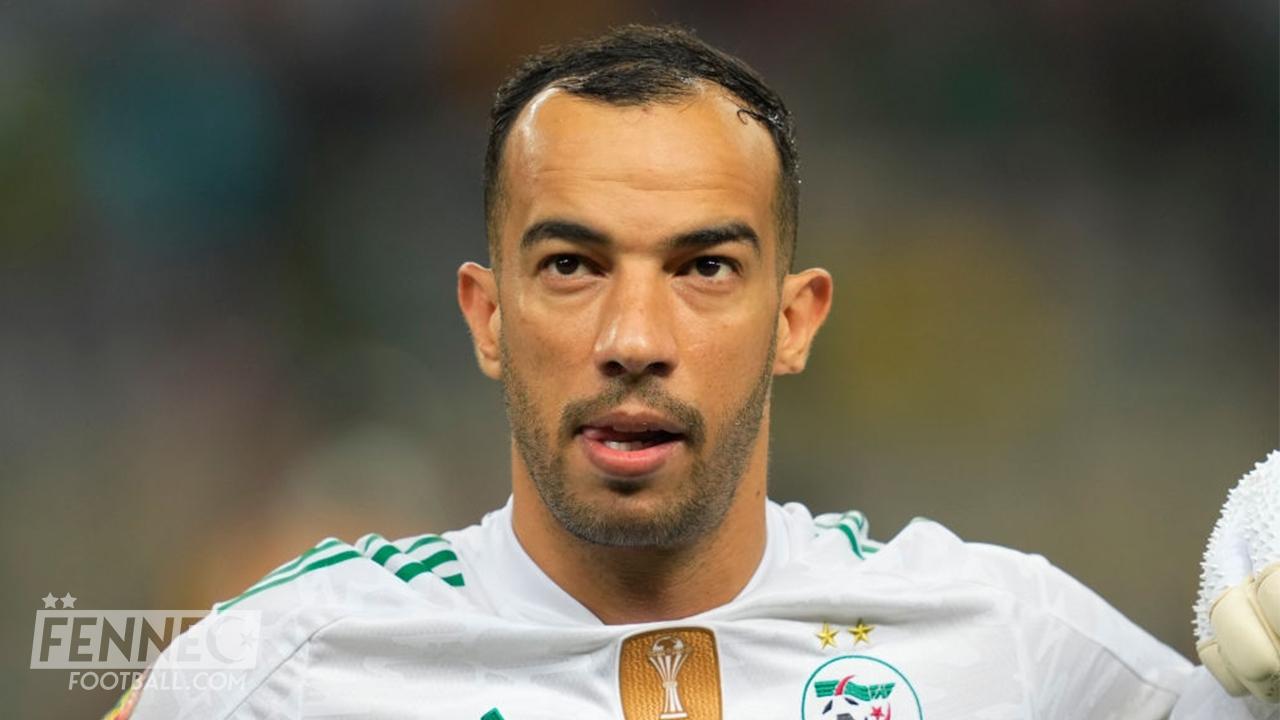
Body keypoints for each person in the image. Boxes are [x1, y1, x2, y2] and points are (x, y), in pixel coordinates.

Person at [109, 24, 1276, 720]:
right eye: (570, 265)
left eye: (704, 267)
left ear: (793, 320)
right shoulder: (287, 666)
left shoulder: (1003, 641)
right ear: (486, 316)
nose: (633, 335)